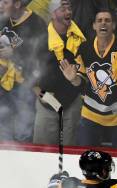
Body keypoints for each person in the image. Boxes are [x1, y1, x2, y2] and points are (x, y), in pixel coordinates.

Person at [59, 9, 117, 148]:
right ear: (94, 26)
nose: (103, 23)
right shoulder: (84, 48)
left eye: (107, 20)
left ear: (114, 25)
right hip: (92, 114)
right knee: (86, 157)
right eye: (99, 20)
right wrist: (73, 79)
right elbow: (81, 83)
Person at [33, 0, 85, 146]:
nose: (68, 12)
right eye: (63, 8)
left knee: (71, 156)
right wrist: (48, 99)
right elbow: (29, 77)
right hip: (47, 107)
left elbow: (85, 76)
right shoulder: (40, 40)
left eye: (69, 8)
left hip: (72, 104)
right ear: (53, 14)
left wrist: (76, 80)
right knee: (42, 154)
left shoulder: (80, 39)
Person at [0, 0, 46, 142]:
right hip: (3, 83)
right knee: (3, 129)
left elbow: (42, 56)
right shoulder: (3, 19)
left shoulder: (36, 23)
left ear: (17, 4)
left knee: (23, 132)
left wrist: (14, 53)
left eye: (5, 2)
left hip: (25, 86)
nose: (0, 5)